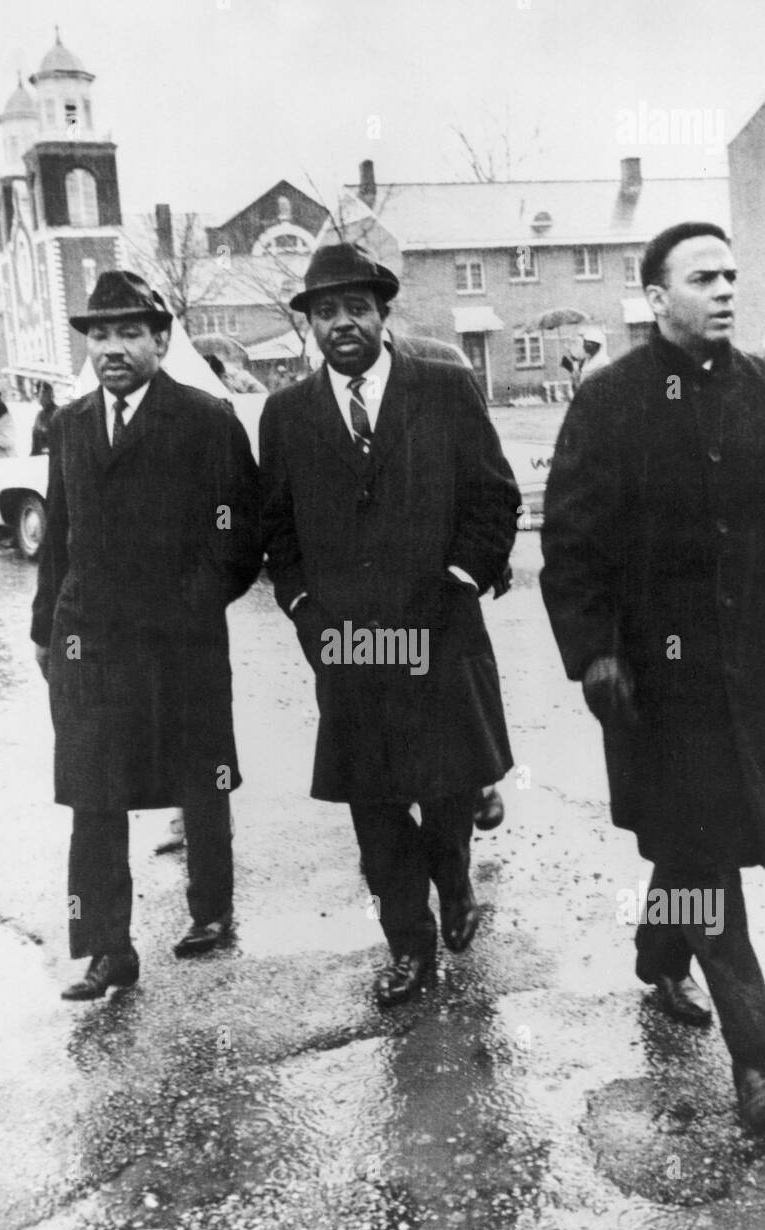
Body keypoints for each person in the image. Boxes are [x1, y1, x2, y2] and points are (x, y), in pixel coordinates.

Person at [541, 220, 765, 1132]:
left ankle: (657, 951)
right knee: (708, 844)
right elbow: (571, 539)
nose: (723, 290)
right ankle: (754, 1059)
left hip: (748, 674)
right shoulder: (609, 400)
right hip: (654, 686)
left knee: (707, 833)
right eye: (701, 277)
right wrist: (592, 651)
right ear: (655, 296)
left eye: (730, 276)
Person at [260, 243, 519, 1006]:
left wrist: (460, 582)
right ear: (308, 324)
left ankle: (456, 881)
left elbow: (492, 497)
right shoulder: (286, 415)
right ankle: (407, 944)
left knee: (446, 792)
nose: (342, 323)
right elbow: (278, 529)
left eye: (357, 308)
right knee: (373, 806)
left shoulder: (441, 388)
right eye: (325, 311)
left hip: (438, 631)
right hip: (347, 645)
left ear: (382, 314)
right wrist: (304, 609)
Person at [30, 270, 262, 1001]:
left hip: (180, 639)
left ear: (161, 340)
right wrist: (46, 629)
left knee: (200, 775)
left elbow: (238, 533)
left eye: (130, 332)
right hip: (90, 643)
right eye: (100, 334)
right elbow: (57, 537)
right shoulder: (68, 426)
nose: (113, 347)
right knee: (94, 793)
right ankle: (108, 948)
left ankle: (212, 911)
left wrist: (193, 605)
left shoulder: (203, 418)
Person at [31, 381, 58, 454]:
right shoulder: (40, 415)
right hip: (40, 459)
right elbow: (35, 443)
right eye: (37, 395)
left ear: (48, 394)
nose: (38, 398)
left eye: (39, 394)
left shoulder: (58, 413)